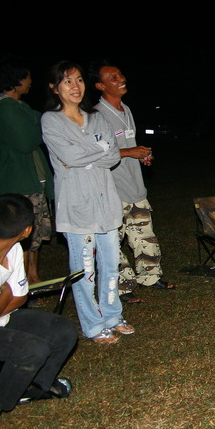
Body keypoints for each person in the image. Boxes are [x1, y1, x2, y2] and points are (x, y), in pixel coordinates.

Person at [41, 61, 135, 344]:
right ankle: (93, 324)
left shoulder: (97, 118)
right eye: (67, 81)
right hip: (77, 206)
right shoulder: (51, 120)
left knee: (111, 264)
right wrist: (98, 150)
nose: (75, 87)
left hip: (106, 202)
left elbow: (113, 155)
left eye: (79, 80)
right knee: (85, 270)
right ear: (55, 87)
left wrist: (87, 155)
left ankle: (112, 315)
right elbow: (70, 157)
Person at [89, 61, 175, 305]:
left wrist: (141, 155)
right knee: (112, 242)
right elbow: (95, 154)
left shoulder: (125, 109)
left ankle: (150, 277)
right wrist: (129, 152)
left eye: (120, 74)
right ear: (100, 85)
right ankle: (122, 286)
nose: (121, 79)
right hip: (112, 189)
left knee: (144, 235)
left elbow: (127, 143)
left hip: (134, 184)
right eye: (113, 77)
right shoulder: (97, 116)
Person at [0, 194, 77, 426]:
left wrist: (3, 302)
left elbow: (20, 297)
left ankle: (34, 386)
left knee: (63, 329)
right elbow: (12, 295)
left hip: (1, 318)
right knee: (32, 349)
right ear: (27, 230)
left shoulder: (13, 250)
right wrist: (5, 295)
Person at [0, 55, 55, 284]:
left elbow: (41, 121)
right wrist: (39, 125)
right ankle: (21, 280)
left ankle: (33, 276)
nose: (31, 81)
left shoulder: (20, 106)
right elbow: (26, 140)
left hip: (34, 181)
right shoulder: (4, 109)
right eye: (27, 77)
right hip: (19, 182)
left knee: (35, 233)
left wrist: (38, 122)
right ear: (17, 79)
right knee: (22, 232)